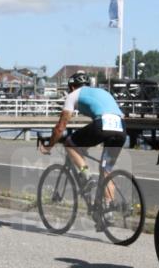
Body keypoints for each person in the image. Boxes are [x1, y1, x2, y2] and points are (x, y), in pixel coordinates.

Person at [39, 71, 126, 202]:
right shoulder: (102, 92)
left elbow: (60, 127)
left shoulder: (73, 95)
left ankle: (86, 175)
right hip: (121, 127)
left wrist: (48, 147)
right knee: (106, 170)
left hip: (102, 124)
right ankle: (108, 212)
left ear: (72, 87)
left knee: (69, 143)